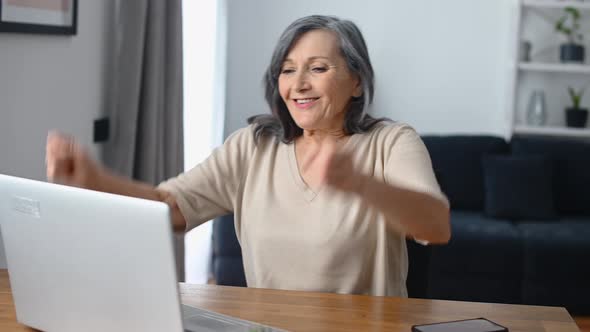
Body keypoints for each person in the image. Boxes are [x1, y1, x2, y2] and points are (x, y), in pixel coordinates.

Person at [46, 15, 450, 297]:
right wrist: (95, 181)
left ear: (357, 81)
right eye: (287, 70)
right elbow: (169, 208)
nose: (299, 85)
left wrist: (361, 184)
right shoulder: (252, 146)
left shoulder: (392, 142)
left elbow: (435, 226)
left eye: (319, 68)